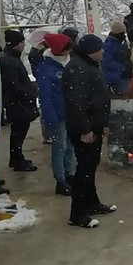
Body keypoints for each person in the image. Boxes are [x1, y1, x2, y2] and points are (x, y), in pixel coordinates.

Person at [61, 34, 117, 229]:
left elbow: (98, 97)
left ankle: (92, 202)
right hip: (84, 128)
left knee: (91, 166)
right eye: (100, 48)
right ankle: (77, 213)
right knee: (84, 169)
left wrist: (103, 123)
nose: (103, 51)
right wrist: (85, 129)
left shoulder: (88, 65)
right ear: (91, 51)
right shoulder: (76, 69)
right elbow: (75, 103)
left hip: (95, 124)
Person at [35, 33, 76, 196]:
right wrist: (50, 118)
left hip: (72, 113)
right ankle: (60, 180)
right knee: (60, 147)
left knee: (70, 145)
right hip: (58, 114)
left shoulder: (69, 62)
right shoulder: (46, 68)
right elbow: (46, 97)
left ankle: (70, 174)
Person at [0, 29, 39, 172]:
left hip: (16, 102)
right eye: (22, 42)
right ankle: (17, 159)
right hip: (17, 104)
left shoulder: (10, 58)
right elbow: (15, 85)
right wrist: (32, 91)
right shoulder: (9, 61)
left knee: (18, 132)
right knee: (18, 133)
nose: (24, 45)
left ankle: (16, 157)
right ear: (16, 44)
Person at [102, 21, 132, 96]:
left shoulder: (119, 43)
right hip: (116, 77)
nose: (124, 35)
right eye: (123, 33)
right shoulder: (109, 45)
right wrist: (122, 68)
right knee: (121, 97)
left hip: (120, 75)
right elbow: (107, 62)